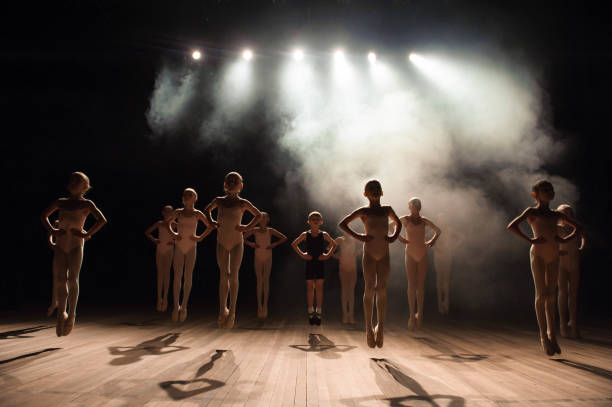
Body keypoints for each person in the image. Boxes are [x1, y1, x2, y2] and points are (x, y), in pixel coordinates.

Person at [507, 180, 580, 355]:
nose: (548, 192)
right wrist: (531, 240)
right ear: (536, 195)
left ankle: (552, 335)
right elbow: (512, 226)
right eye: (544, 190)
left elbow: (578, 228)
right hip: (538, 254)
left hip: (553, 256)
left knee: (552, 295)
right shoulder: (532, 212)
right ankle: (543, 336)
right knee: (542, 294)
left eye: (550, 189)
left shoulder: (556, 215)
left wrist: (563, 240)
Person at [40, 172, 107, 336]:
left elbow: (102, 220)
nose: (73, 183)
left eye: (78, 181)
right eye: (72, 180)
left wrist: (86, 234)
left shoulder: (87, 204)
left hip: (76, 245)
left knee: (72, 279)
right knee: (60, 278)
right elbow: (44, 216)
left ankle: (71, 315)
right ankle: (61, 313)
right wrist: (52, 230)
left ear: (85, 186)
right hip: (61, 245)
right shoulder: (61, 202)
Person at [339, 180, 401, 348]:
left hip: (384, 254)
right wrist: (359, 237)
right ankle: (368, 328)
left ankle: (380, 327)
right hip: (370, 254)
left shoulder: (387, 209)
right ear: (365, 194)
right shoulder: (364, 211)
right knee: (369, 289)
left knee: (381, 289)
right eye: (370, 190)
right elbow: (343, 224)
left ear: (382, 192)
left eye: (376, 189)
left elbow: (398, 223)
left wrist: (394, 236)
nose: (374, 192)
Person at [204, 172, 262, 329]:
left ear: (241, 186)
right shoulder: (219, 201)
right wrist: (212, 222)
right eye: (229, 181)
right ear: (224, 184)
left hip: (236, 242)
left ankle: (233, 311)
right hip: (222, 242)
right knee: (223, 275)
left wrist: (246, 227)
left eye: (235, 181)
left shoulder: (243, 203)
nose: (231, 183)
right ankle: (222, 310)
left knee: (233, 275)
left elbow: (258, 215)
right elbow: (207, 210)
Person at [167, 189, 212, 322]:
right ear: (183, 197)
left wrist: (200, 237)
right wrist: (173, 234)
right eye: (185, 194)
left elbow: (209, 227)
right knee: (177, 276)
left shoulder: (197, 214)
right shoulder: (178, 212)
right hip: (179, 247)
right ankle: (176, 306)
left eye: (190, 194)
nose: (187, 196)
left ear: (195, 198)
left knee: (188, 276)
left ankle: (184, 306)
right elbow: (168, 223)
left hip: (191, 247)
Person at [398, 198, 441, 329]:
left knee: (420, 285)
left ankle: (420, 314)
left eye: (417, 205)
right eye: (413, 205)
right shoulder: (405, 219)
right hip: (410, 253)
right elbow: (389, 226)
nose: (415, 207)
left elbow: (438, 231)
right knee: (412, 284)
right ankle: (412, 315)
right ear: (410, 207)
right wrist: (399, 237)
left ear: (418, 207)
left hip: (422, 254)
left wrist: (432, 240)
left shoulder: (423, 220)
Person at [291, 211, 337, 325]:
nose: (315, 221)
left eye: (317, 219)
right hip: (310, 262)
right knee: (310, 287)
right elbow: (294, 244)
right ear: (309, 222)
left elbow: (334, 244)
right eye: (313, 219)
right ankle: (311, 311)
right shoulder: (305, 234)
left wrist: (327, 255)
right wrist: (303, 254)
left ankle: (319, 311)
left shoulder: (324, 234)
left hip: (320, 262)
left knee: (319, 287)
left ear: (321, 222)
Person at [244, 212, 287, 319]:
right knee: (259, 281)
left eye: (264, 217)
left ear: (268, 219)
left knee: (266, 280)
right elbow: (242, 237)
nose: (262, 219)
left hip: (268, 256)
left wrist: (274, 244)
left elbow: (284, 238)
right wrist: (251, 244)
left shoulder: (270, 231)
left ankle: (265, 306)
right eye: (260, 218)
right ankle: (259, 306)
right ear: (258, 220)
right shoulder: (254, 230)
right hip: (258, 256)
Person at [556, 204, 585, 339]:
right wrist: (558, 251)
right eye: (564, 213)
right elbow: (550, 242)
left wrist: (581, 247)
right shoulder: (556, 227)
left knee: (573, 294)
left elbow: (583, 236)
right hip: (561, 263)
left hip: (574, 262)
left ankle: (573, 324)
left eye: (569, 213)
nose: (567, 215)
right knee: (562, 293)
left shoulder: (576, 226)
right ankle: (562, 325)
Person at [144, 205, 178, 312]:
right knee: (160, 274)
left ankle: (166, 298)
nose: (168, 213)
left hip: (169, 250)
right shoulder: (159, 223)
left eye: (170, 212)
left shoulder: (175, 224)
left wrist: (174, 242)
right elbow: (147, 232)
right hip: (160, 249)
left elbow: (180, 237)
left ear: (173, 213)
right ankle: (159, 299)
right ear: (163, 213)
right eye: (166, 212)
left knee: (167, 273)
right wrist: (154, 240)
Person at [333, 230, 360, 324]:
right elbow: (328, 248)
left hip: (352, 267)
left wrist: (357, 253)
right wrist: (336, 256)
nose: (346, 232)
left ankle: (351, 315)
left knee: (351, 291)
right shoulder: (340, 240)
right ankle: (345, 315)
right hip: (343, 266)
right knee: (344, 291)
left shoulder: (355, 239)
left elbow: (366, 244)